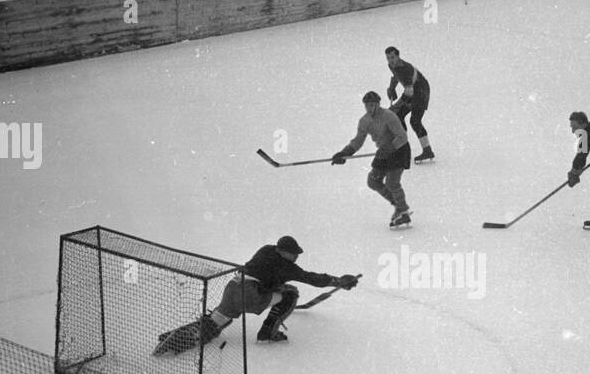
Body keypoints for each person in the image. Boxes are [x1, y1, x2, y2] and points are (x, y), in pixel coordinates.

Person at [157, 237, 360, 349]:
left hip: (234, 287)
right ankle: (267, 334)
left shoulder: (267, 249)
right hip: (251, 294)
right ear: (282, 251)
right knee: (290, 295)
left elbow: (265, 272)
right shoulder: (286, 267)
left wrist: (273, 284)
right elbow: (311, 278)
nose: (296, 256)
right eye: (294, 253)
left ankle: (181, 338)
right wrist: (338, 281)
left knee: (217, 321)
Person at [332, 91, 414, 228]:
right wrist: (344, 153)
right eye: (367, 105)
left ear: (378, 104)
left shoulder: (389, 116)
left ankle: (403, 211)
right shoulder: (364, 121)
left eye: (372, 105)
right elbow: (357, 141)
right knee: (373, 181)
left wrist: (389, 147)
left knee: (392, 183)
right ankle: (399, 206)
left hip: (399, 150)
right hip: (383, 152)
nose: (369, 108)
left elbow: (402, 137)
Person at [384, 46, 434, 163]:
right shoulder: (391, 65)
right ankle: (403, 148)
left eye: (392, 57)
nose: (390, 60)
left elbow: (409, 93)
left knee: (415, 121)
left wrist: (395, 106)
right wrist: (392, 88)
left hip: (421, 91)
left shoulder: (405, 69)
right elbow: (396, 76)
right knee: (399, 116)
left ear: (398, 56)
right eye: (387, 58)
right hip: (412, 90)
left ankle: (427, 151)